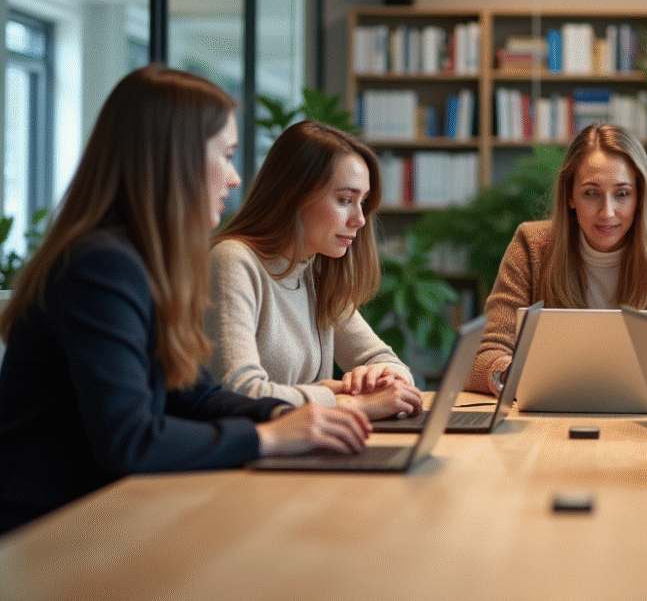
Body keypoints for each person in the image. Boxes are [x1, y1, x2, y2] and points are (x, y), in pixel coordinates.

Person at [0, 66, 370, 536]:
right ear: (176, 159)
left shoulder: (139, 261)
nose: (236, 179)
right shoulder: (99, 267)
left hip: (107, 517)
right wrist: (268, 437)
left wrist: (287, 415)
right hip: (48, 535)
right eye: (228, 155)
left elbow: (194, 394)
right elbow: (130, 440)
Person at [467, 123, 647, 395]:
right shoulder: (532, 246)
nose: (607, 213)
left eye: (622, 194)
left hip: (644, 421)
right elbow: (484, 356)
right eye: (591, 193)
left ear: (640, 196)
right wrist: (511, 372)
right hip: (547, 417)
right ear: (570, 195)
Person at [206, 120, 423, 420]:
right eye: (345, 200)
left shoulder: (315, 271)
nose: (359, 219)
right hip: (249, 459)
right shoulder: (234, 261)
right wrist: (342, 399)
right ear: (294, 195)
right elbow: (239, 393)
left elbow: (385, 360)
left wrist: (386, 378)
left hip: (302, 448)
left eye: (363, 202)